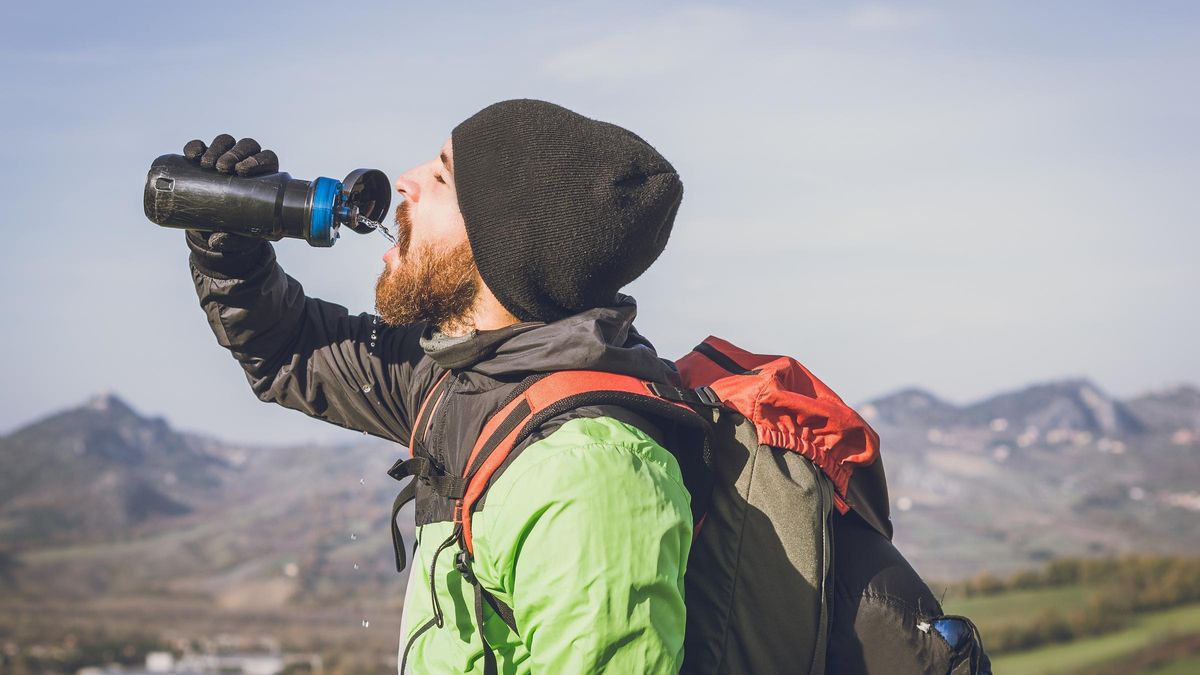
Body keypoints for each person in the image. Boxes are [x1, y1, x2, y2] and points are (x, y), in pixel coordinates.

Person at [184, 99, 694, 673]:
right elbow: (291, 351)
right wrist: (230, 255)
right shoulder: (457, 379)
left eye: (443, 175)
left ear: (504, 240)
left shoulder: (591, 470)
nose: (405, 181)